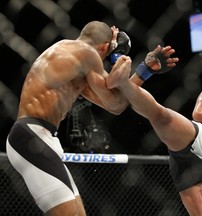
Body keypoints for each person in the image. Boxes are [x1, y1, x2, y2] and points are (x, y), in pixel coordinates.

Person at [5, 20, 179, 216]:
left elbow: (115, 105)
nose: (102, 62)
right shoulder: (86, 53)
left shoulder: (73, 63)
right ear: (104, 46)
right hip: (33, 136)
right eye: (107, 53)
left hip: (35, 137)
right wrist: (118, 57)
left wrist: (144, 70)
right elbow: (115, 97)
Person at [107, 57, 202, 216]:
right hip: (198, 138)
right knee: (161, 116)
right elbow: (200, 113)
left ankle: (124, 85)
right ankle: (124, 83)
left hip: (198, 163)